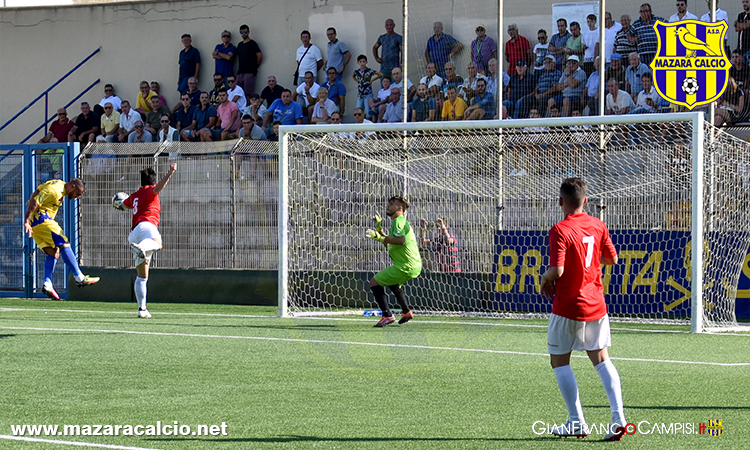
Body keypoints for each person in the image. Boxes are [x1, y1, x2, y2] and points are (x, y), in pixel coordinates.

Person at [540, 177, 625, 442]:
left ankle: (576, 422)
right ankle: (618, 418)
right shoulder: (598, 225)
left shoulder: (560, 230)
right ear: (586, 201)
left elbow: (558, 270)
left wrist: (544, 278)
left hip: (568, 305)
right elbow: (612, 258)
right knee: (602, 360)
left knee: (559, 361)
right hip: (596, 305)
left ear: (560, 202)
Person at [23, 178, 99, 300]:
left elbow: (38, 190)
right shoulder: (54, 190)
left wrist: (30, 200)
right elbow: (36, 203)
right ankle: (79, 277)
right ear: (72, 186)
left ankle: (47, 284)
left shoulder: (57, 183)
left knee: (54, 252)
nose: (78, 197)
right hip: (42, 220)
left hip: (36, 224)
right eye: (78, 193)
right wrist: (26, 221)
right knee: (65, 243)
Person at [122, 164, 177, 318]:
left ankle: (142, 309)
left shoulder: (134, 195)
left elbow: (123, 204)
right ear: (152, 182)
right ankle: (141, 247)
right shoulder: (149, 191)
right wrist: (170, 172)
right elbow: (157, 188)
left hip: (134, 233)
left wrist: (121, 200)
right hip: (147, 227)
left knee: (142, 276)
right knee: (158, 243)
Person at [366, 196, 422, 327]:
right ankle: (406, 312)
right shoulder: (398, 223)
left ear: (399, 208)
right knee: (393, 284)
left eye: (392, 203)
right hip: (412, 265)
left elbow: (400, 240)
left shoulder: (399, 221)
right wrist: (379, 230)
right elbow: (391, 242)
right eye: (388, 203)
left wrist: (379, 237)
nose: (388, 205)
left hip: (405, 266)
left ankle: (387, 315)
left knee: (374, 282)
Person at [236, 24, 263, 96]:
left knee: (248, 94)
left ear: (248, 32)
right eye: (242, 32)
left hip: (249, 72)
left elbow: (259, 56)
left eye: (245, 31)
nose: (244, 33)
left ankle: (248, 107)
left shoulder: (252, 44)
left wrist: (255, 67)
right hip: (240, 73)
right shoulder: (239, 45)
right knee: (239, 93)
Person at [353, 54, 382, 121]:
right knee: (358, 110)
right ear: (358, 63)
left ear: (366, 62)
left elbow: (380, 74)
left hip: (368, 93)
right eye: (360, 62)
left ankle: (369, 125)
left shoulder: (369, 70)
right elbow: (353, 76)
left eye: (363, 61)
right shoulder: (357, 71)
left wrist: (372, 80)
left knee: (368, 110)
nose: (362, 63)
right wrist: (357, 81)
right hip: (360, 94)